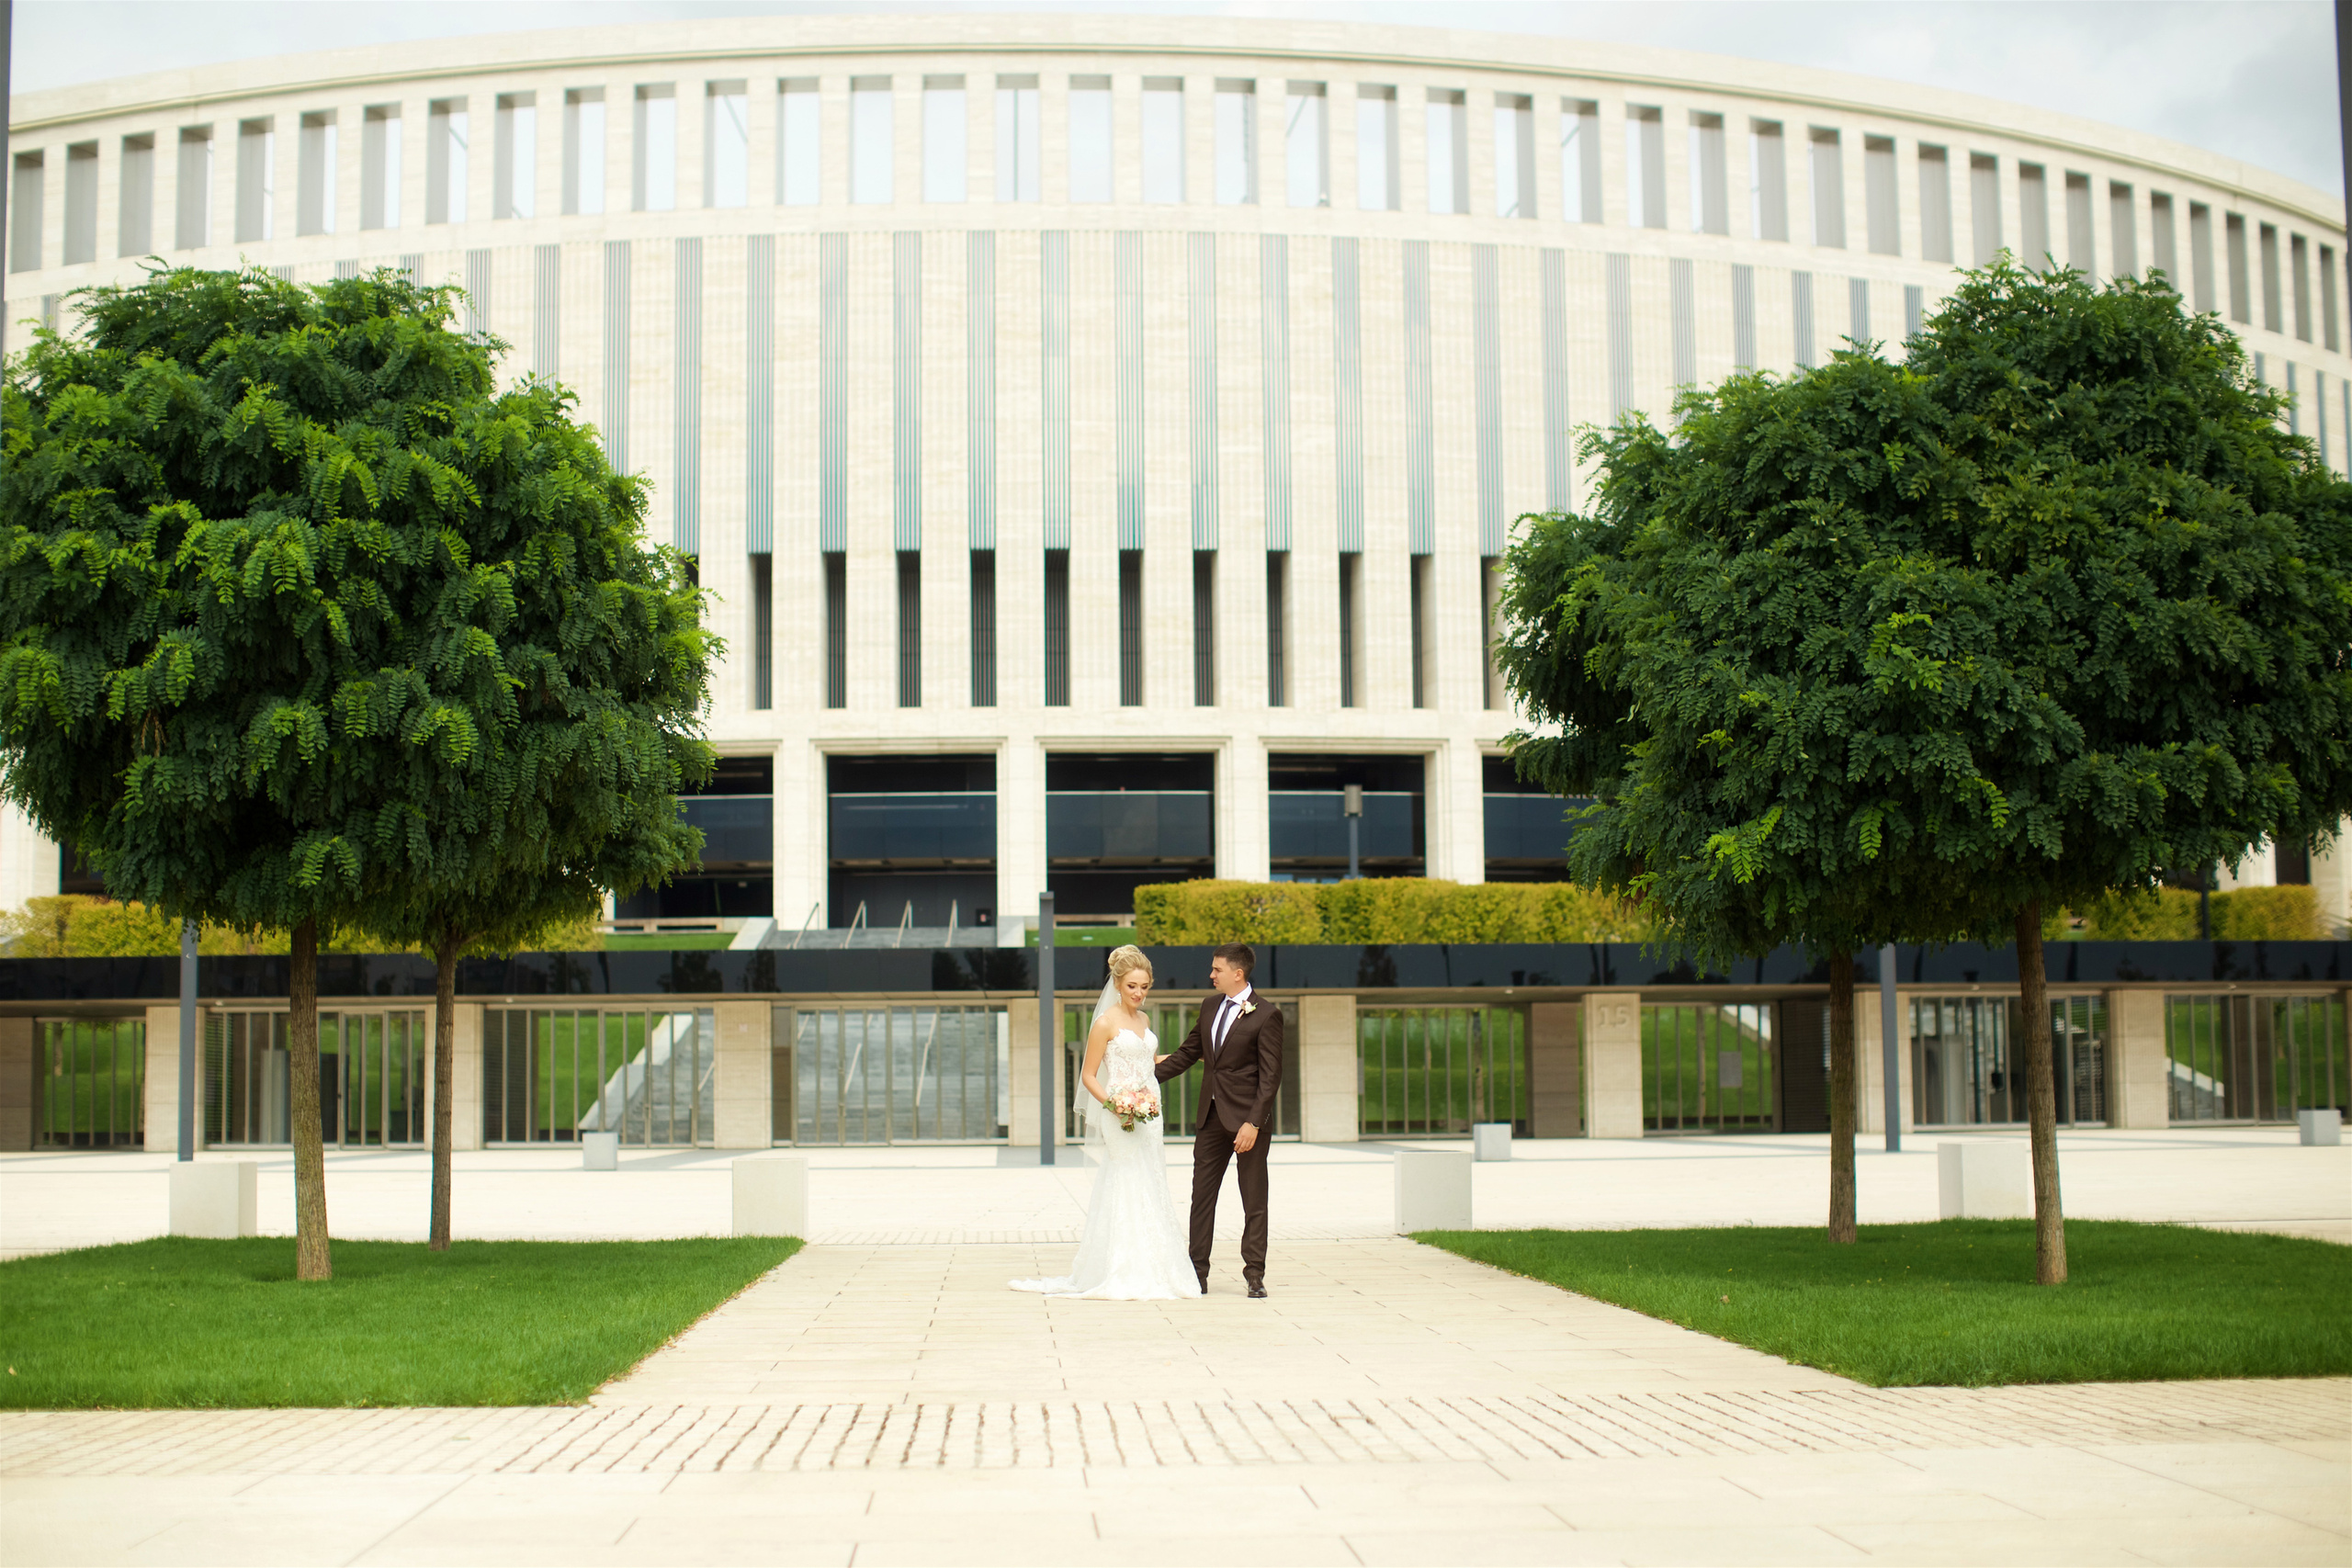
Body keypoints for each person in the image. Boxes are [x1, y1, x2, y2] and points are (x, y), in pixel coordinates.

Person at [1008, 945, 1203, 1301]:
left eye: (1144, 986)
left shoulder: (1143, 1021)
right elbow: (1088, 1075)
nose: (1139, 993)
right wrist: (1115, 1105)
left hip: (1149, 1112)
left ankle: (1155, 1265)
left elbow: (1148, 1059)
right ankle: (1121, 1267)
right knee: (1126, 1181)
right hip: (1120, 1113)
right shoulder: (1105, 1023)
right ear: (1117, 984)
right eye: (1132, 986)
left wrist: (1192, 1052)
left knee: (1151, 1181)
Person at [1153, 942, 1283, 1297]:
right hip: (1210, 1119)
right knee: (1201, 1197)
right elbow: (1187, 1054)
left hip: (1248, 1125)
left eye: (1217, 969)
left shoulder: (1267, 1015)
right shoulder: (1209, 1007)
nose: (1211, 975)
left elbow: (1270, 1077)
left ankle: (1254, 1274)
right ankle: (1197, 1273)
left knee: (1253, 1200)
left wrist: (1253, 1123)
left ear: (1237, 973)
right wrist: (1141, 1078)